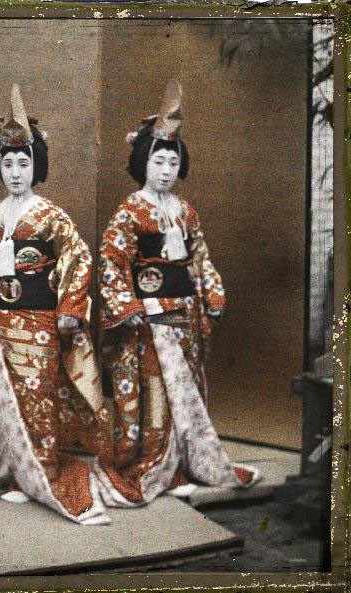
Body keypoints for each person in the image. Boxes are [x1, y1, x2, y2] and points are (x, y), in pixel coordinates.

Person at [93, 80, 260, 506]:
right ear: (142, 163)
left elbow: (200, 257)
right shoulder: (130, 211)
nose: (166, 170)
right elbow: (111, 262)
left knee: (186, 390)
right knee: (157, 393)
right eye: (158, 161)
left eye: (172, 161)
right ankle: (155, 466)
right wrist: (125, 304)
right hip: (149, 315)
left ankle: (183, 463)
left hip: (186, 313)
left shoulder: (185, 211)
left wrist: (213, 295)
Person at [0, 84, 111, 525]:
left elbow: (78, 256)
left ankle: (39, 474)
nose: (16, 172)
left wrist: (70, 307)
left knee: (37, 397)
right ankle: (6, 470)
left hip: (38, 319)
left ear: (36, 165)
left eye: (24, 163)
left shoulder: (50, 215)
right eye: (8, 163)